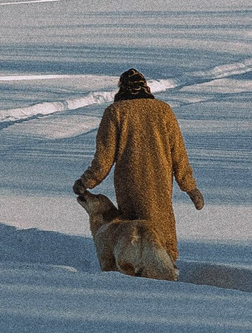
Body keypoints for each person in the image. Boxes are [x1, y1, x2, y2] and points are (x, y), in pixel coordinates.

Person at [74, 68, 204, 262]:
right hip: (160, 182)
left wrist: (86, 182)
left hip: (130, 183)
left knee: (135, 230)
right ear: (146, 87)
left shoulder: (115, 112)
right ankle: (167, 264)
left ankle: (135, 266)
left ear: (121, 88)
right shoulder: (163, 110)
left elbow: (104, 158)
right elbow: (178, 153)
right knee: (161, 224)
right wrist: (190, 187)